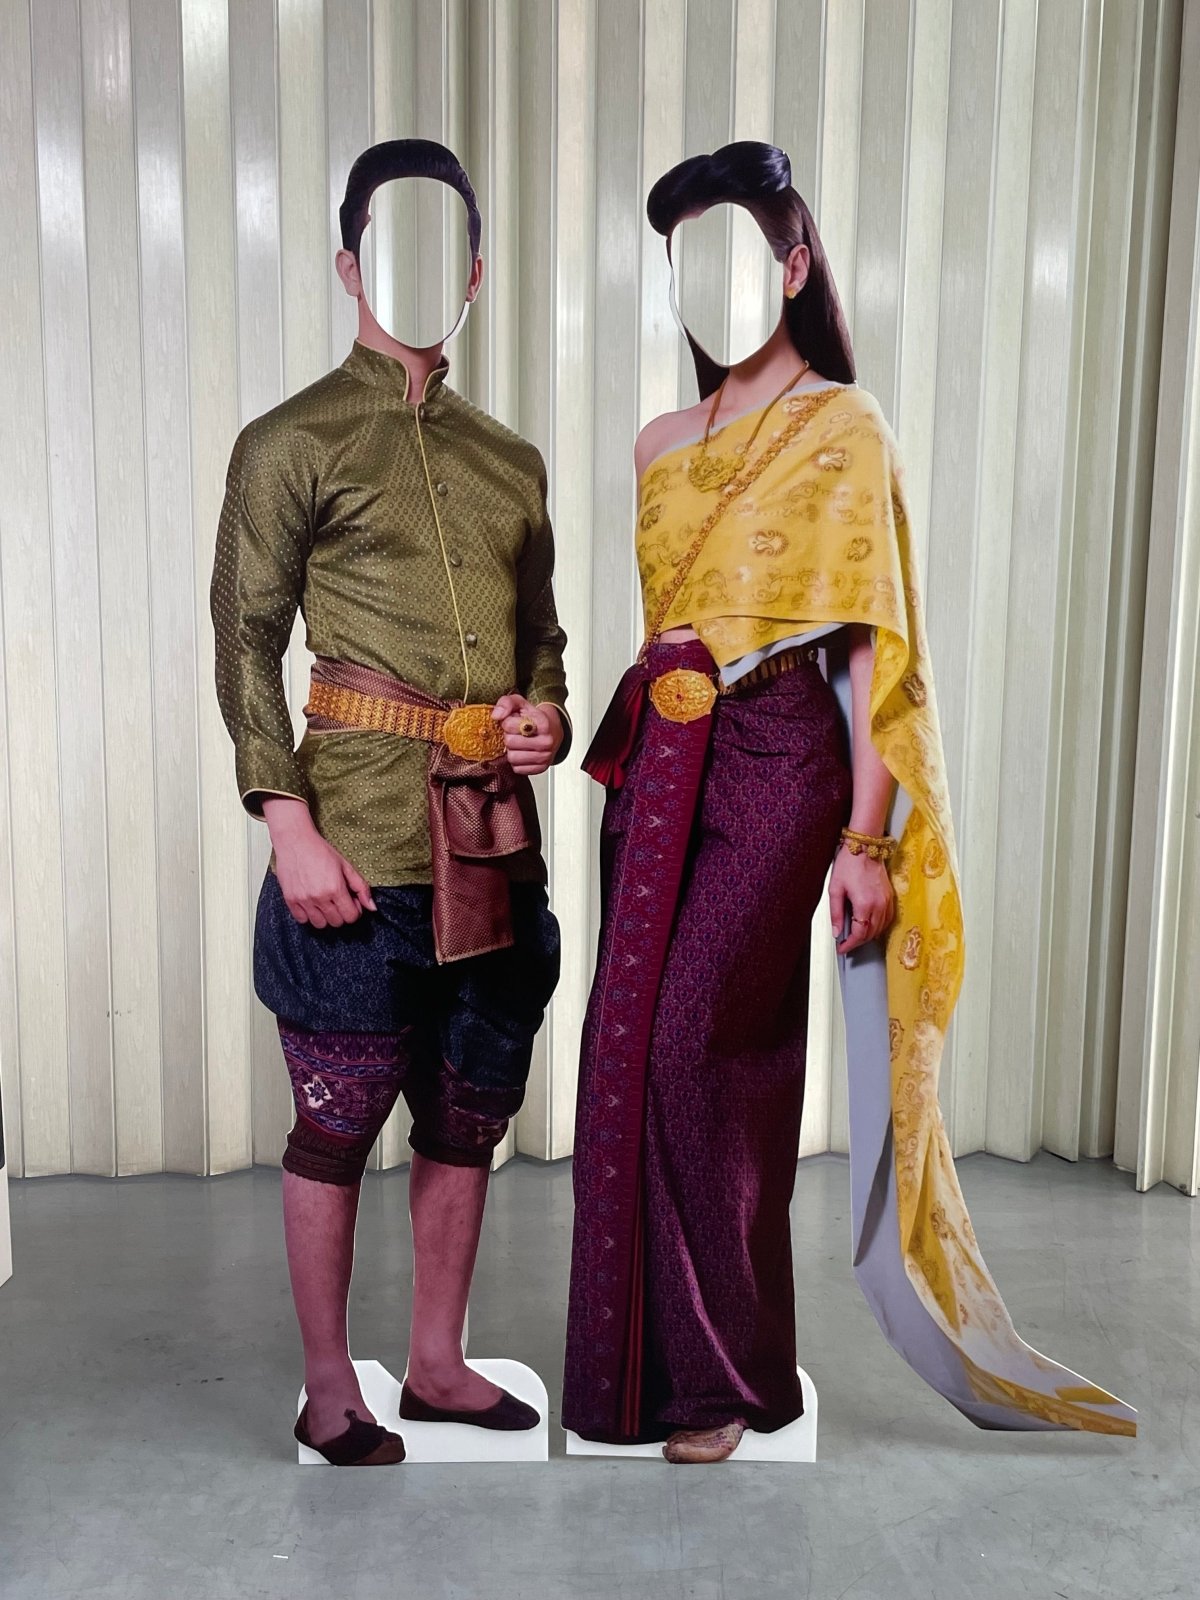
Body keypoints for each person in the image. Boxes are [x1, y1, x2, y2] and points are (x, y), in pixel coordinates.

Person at [562, 141, 1135, 1462]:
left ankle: (728, 1379)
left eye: (733, 255)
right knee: (624, 1048)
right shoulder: (656, 443)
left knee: (706, 1043)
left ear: (792, 267)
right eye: (683, 263)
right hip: (659, 760)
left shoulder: (845, 425)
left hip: (781, 760)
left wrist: (868, 839)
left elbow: (876, 649)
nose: (706, 287)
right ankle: (643, 1371)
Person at [211, 139, 570, 1465]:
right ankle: (329, 1389)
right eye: (388, 240)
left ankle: (436, 1365)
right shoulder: (288, 442)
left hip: (492, 845)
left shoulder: (512, 460)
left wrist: (546, 716)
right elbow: (245, 641)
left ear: (472, 274)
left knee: (469, 1117)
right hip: (355, 844)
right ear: (350, 265)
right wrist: (285, 819)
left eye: (446, 244)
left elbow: (543, 641)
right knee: (336, 1125)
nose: (418, 269)